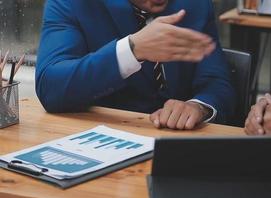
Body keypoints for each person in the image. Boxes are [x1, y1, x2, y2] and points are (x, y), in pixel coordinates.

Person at [36, 0, 235, 130]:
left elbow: (216, 82)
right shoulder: (72, 3)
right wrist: (131, 50)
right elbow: (51, 87)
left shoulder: (195, 4)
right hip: (102, 142)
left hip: (179, 149)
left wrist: (198, 107)